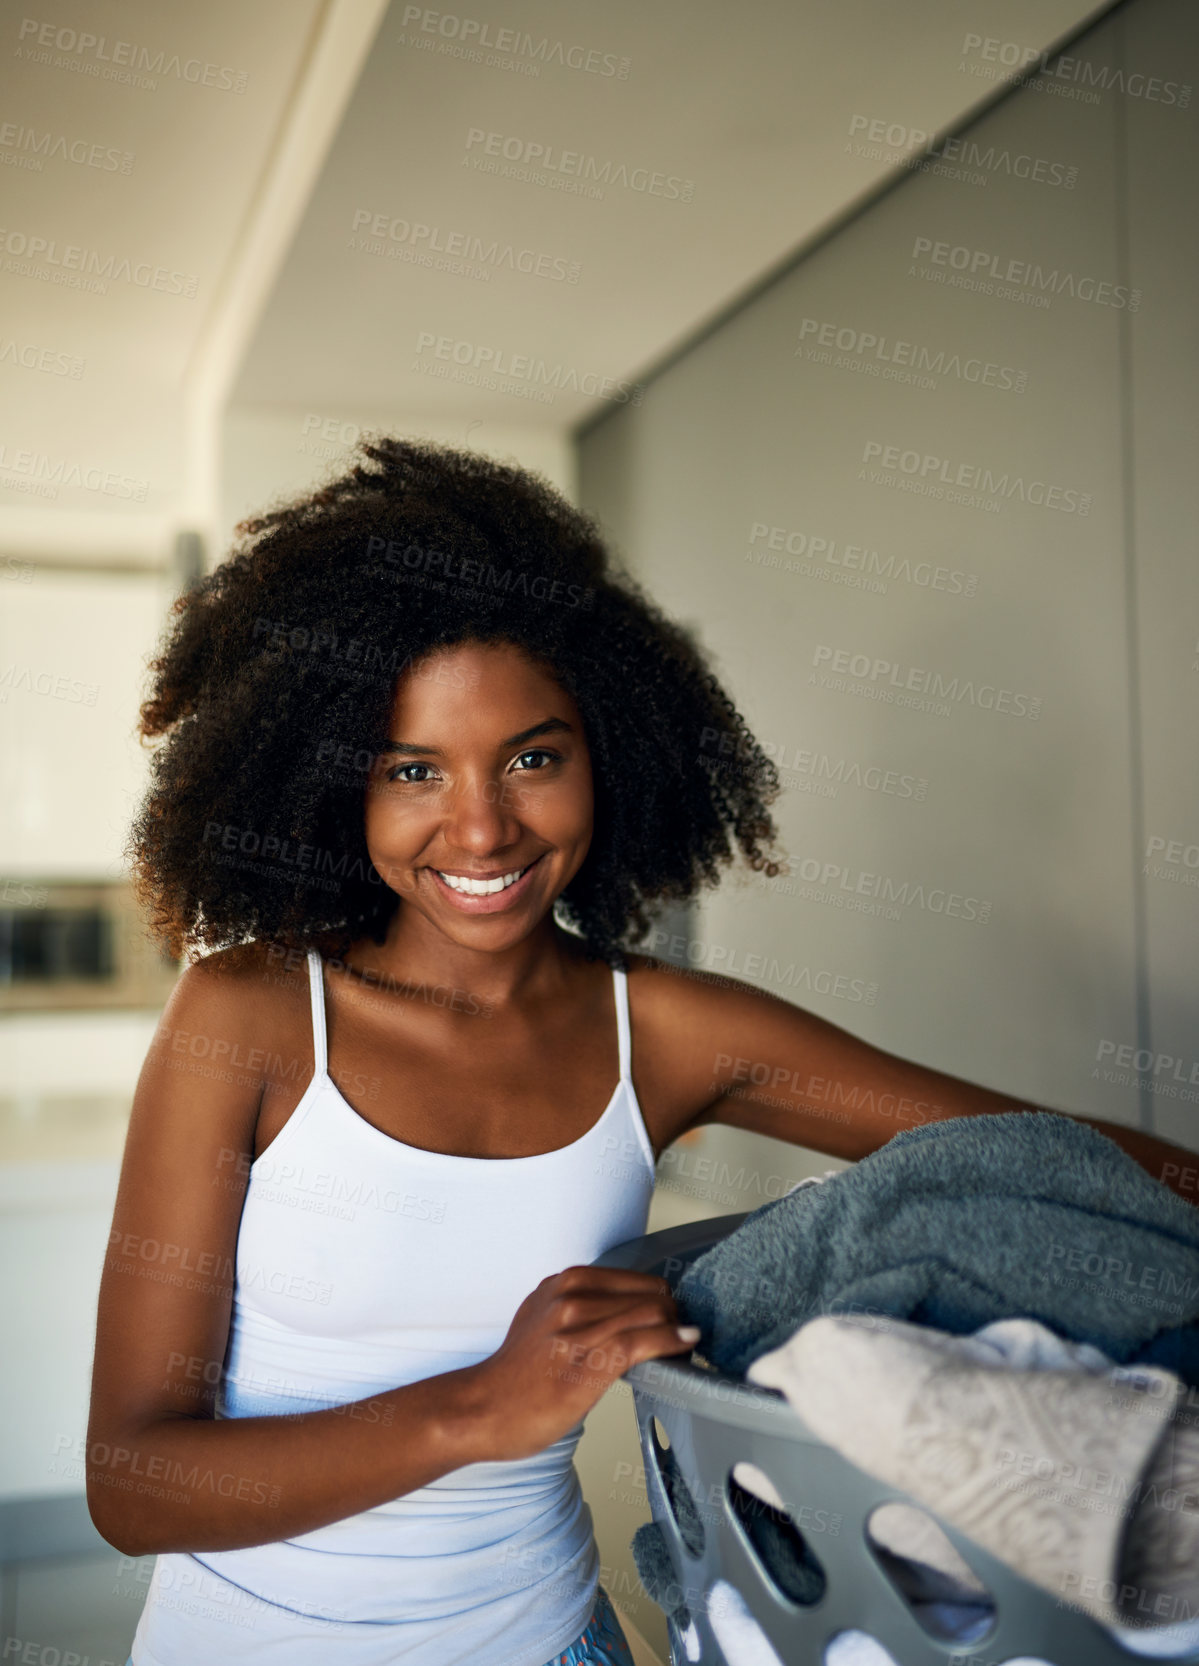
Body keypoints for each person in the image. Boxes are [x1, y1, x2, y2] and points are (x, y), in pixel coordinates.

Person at [88, 435, 1195, 1666]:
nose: (481, 825)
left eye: (531, 758)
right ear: (330, 782)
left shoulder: (664, 1033)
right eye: (413, 769)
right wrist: (478, 1407)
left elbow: (1045, 1161)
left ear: (607, 753)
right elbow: (136, 1484)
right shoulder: (246, 1015)